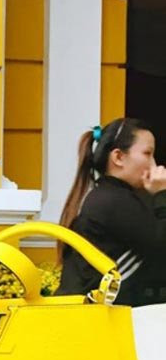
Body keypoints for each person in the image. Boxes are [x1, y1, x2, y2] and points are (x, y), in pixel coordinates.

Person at [56, 118, 166, 305]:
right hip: (95, 316)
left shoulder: (109, 196)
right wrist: (162, 194)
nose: (154, 165)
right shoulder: (114, 202)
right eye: (147, 154)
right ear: (118, 157)